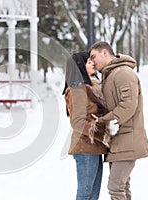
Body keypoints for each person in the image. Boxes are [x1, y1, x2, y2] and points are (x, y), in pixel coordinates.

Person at [89, 41, 148, 200]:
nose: (92, 62)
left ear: (104, 53)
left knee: (115, 188)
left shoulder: (122, 73)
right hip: (118, 141)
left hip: (127, 140)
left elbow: (128, 106)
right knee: (122, 187)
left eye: (93, 56)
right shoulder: (110, 75)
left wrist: (104, 120)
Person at [62, 52, 110, 200]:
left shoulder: (89, 87)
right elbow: (77, 122)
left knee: (93, 194)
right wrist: (100, 128)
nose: (93, 64)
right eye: (89, 62)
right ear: (80, 67)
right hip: (85, 148)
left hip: (94, 147)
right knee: (85, 194)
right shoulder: (77, 89)